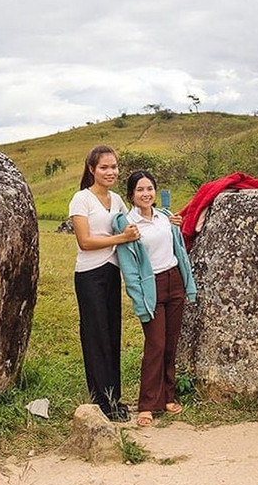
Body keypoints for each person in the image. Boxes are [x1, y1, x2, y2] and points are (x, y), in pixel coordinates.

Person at [113, 171, 197, 428]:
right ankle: (147, 404)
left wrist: (187, 284)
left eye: (150, 188)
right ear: (131, 195)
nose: (146, 193)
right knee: (155, 344)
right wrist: (138, 300)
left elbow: (179, 251)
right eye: (140, 190)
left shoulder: (164, 217)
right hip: (152, 287)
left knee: (171, 343)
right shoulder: (128, 224)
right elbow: (128, 266)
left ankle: (168, 397)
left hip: (174, 282)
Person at [69, 145, 139, 421]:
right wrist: (120, 239)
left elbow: (134, 223)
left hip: (111, 272)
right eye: (104, 167)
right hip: (89, 274)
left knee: (112, 335)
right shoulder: (81, 199)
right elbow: (85, 242)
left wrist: (166, 219)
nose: (111, 172)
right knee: (95, 335)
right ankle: (101, 402)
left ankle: (114, 398)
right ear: (92, 169)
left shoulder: (118, 199)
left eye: (114, 167)